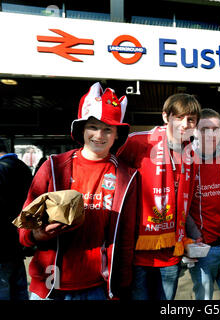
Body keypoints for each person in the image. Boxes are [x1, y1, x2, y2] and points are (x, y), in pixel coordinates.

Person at [18, 82, 138, 300]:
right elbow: (25, 228)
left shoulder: (127, 176)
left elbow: (126, 239)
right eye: (93, 127)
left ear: (117, 135)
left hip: (98, 288)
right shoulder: (53, 166)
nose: (99, 135)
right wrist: (38, 233)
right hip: (49, 286)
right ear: (82, 128)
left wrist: (120, 288)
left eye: (108, 129)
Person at [117, 93, 201, 300]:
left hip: (171, 253)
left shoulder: (191, 154)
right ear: (166, 117)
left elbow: (186, 202)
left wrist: (193, 234)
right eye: (179, 118)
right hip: (138, 252)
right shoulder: (139, 141)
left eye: (191, 119)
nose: (185, 124)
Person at [186, 108, 220, 300]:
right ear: (195, 131)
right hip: (202, 248)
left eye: (215, 129)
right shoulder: (185, 158)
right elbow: (180, 206)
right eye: (204, 129)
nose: (210, 134)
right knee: (204, 298)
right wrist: (191, 236)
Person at [0, 139, 33, 300]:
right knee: (19, 289)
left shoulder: (0, 170)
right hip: (20, 240)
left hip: (2, 245)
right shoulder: (23, 168)